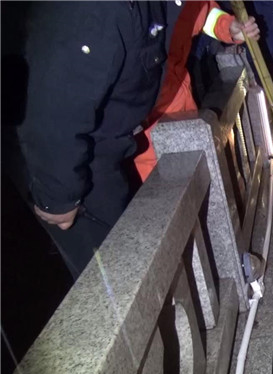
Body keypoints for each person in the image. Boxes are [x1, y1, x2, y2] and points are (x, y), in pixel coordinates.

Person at [18, 1, 182, 278]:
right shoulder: (92, 8)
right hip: (69, 159)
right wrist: (59, 197)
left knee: (134, 261)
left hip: (110, 146)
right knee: (117, 277)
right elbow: (53, 107)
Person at [133, 3, 260, 181]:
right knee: (162, 183)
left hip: (179, 95)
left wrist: (229, 27)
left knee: (197, 174)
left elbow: (202, 11)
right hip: (144, 111)